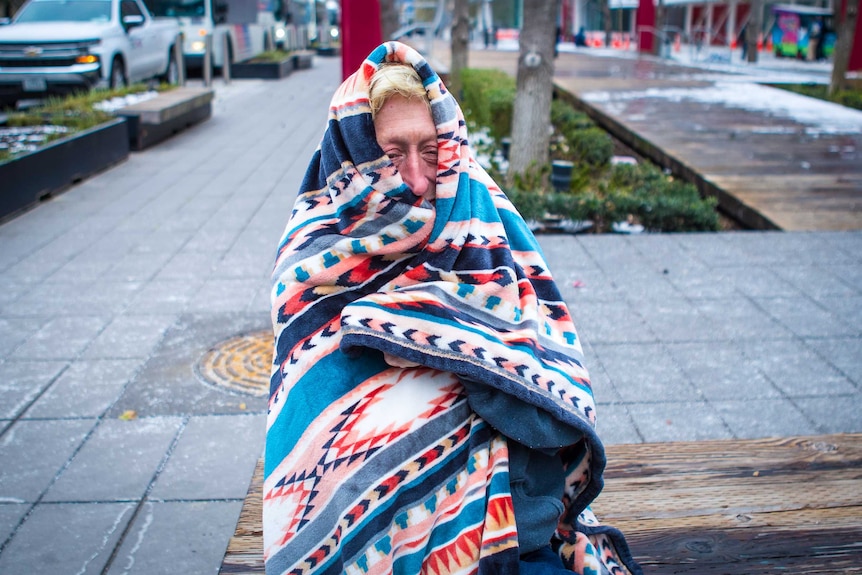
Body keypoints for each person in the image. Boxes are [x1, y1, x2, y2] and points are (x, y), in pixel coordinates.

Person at [264, 41, 641, 575]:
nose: (418, 177)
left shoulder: (475, 206)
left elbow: (547, 396)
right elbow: (317, 402)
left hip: (507, 503)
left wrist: (453, 342)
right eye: (392, 154)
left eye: (431, 148)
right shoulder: (314, 250)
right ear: (355, 150)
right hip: (364, 511)